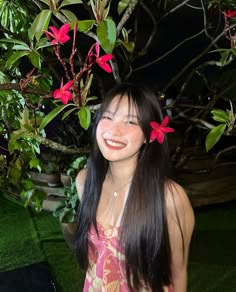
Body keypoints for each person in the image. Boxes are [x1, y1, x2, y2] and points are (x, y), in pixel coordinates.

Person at [75, 83, 195, 292]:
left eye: (130, 121)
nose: (115, 130)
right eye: (108, 117)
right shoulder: (85, 182)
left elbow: (178, 272)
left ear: (150, 134)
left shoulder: (169, 198)